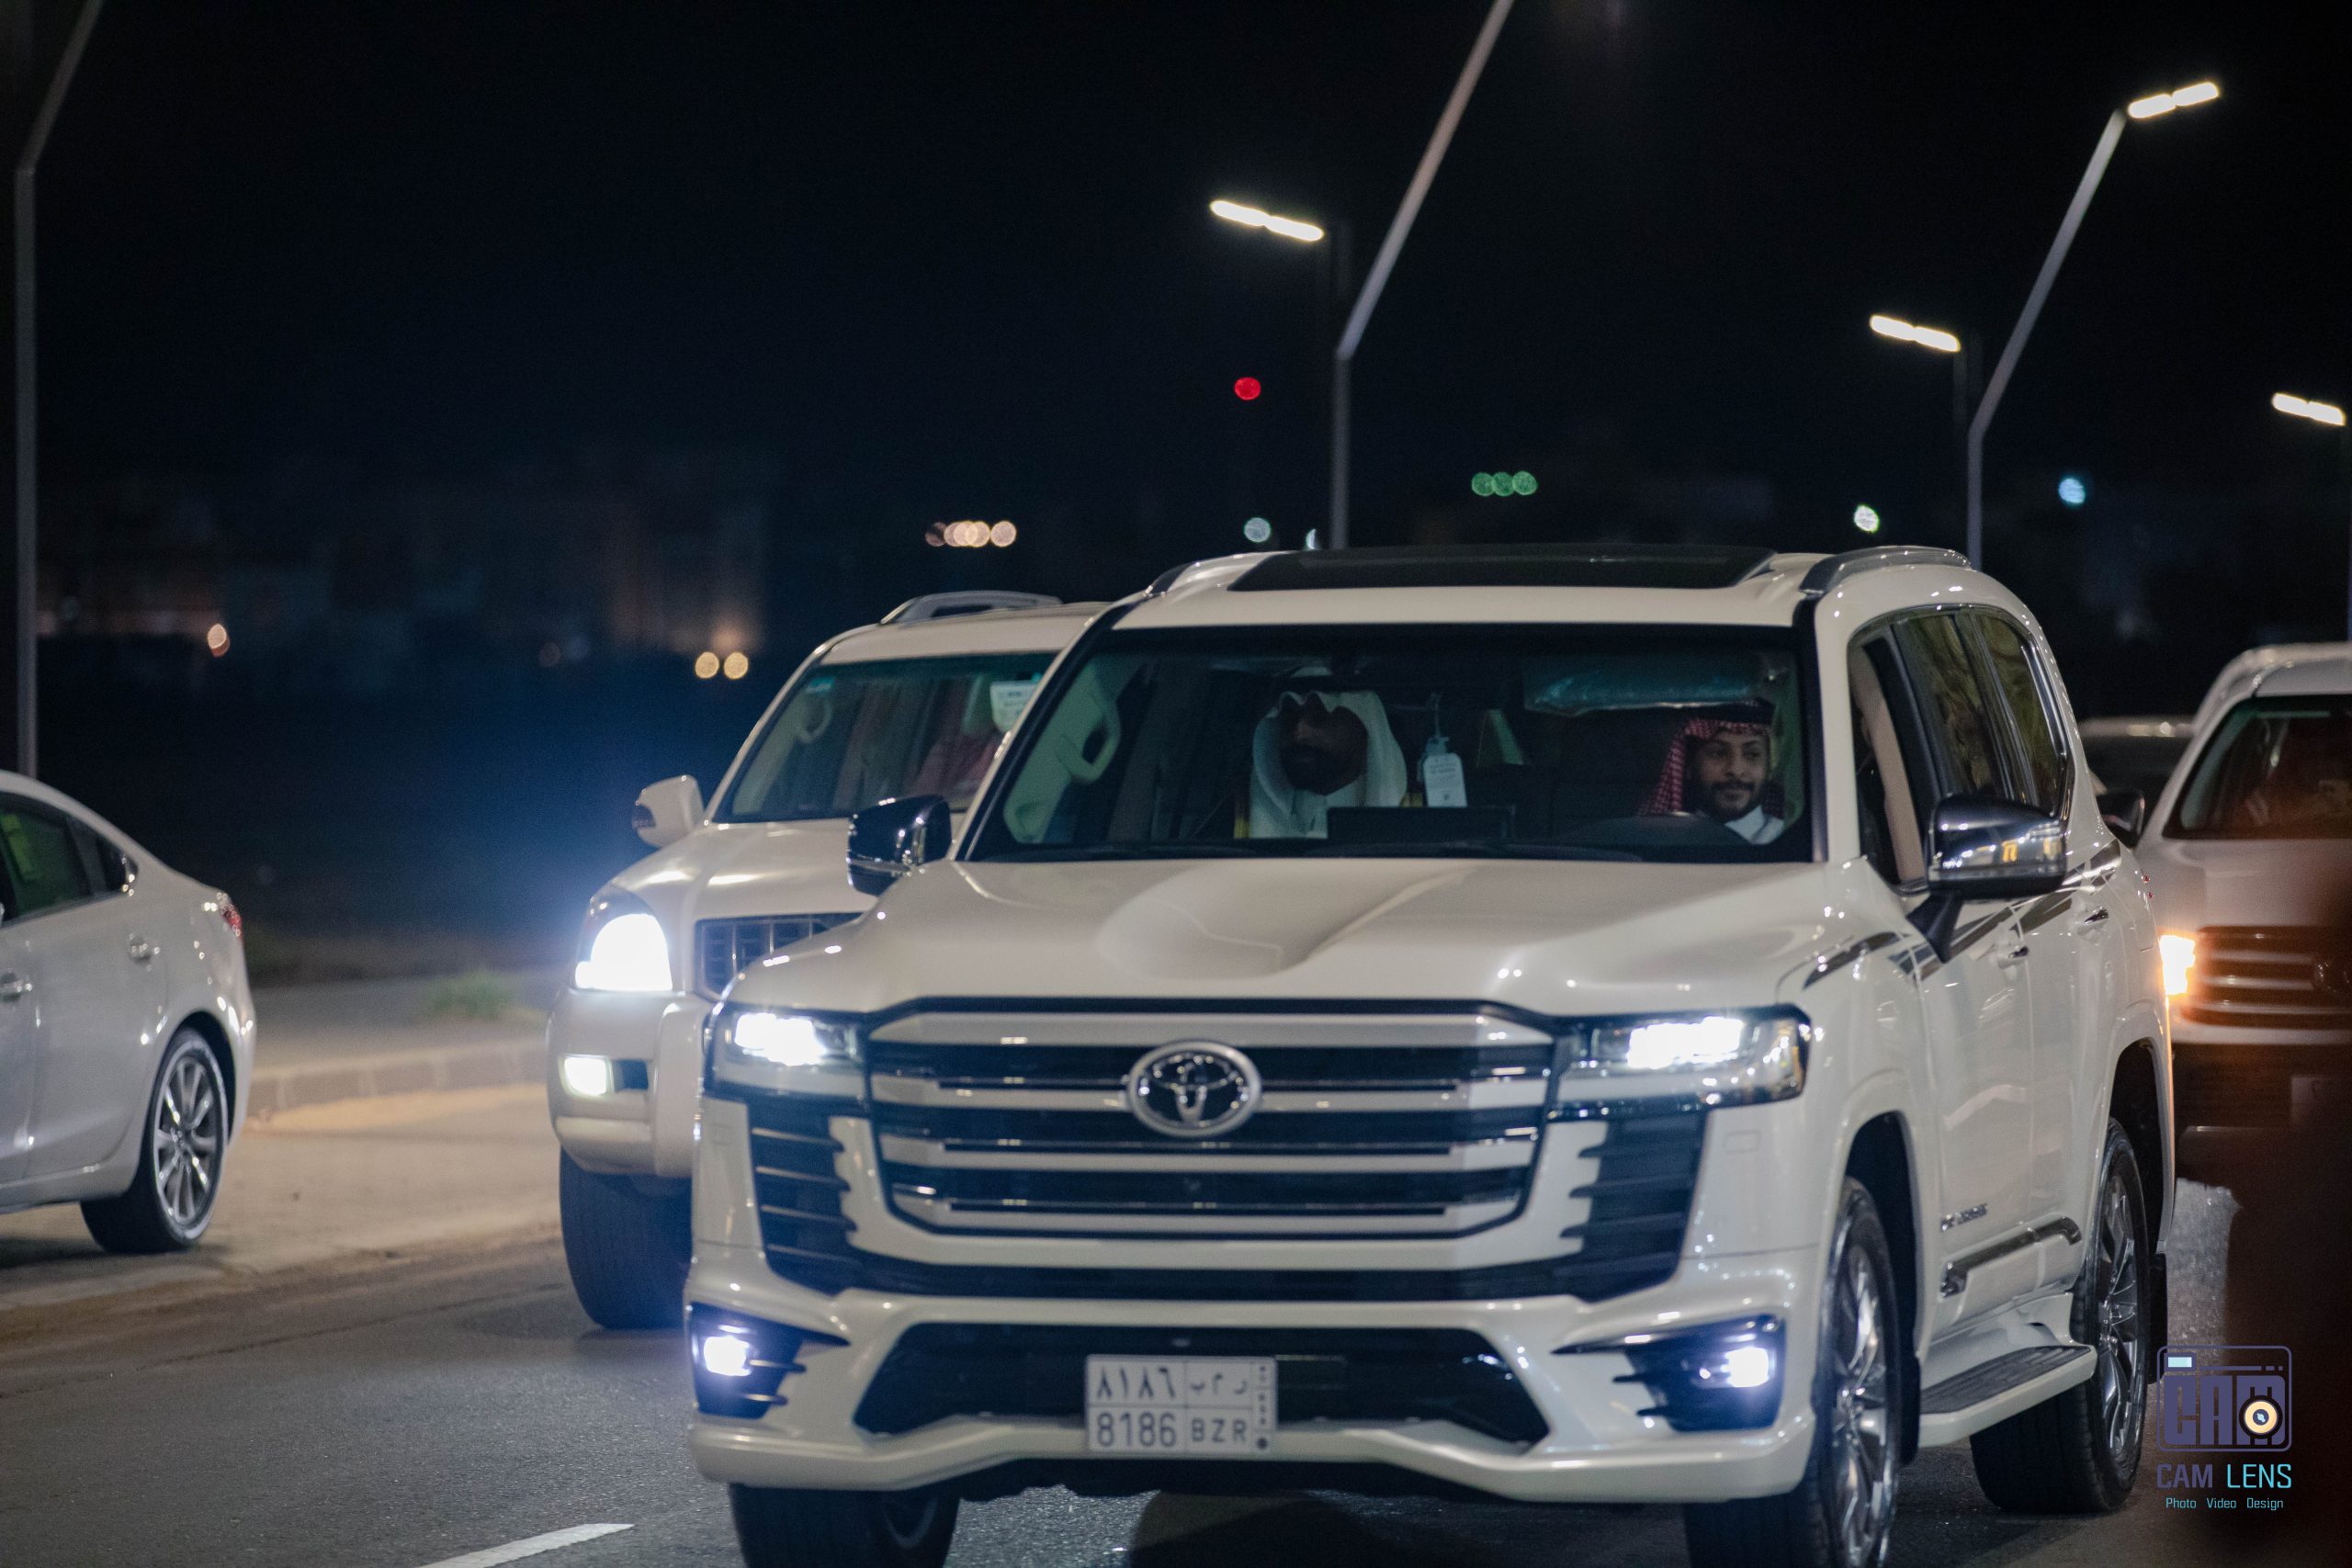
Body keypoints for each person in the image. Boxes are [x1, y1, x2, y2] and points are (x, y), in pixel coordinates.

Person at [1245, 688, 1408, 838]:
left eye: (1319, 719)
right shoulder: (1236, 826)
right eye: (1291, 719)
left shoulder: (1412, 819)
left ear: (1360, 729)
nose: (1299, 733)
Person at [1639, 714, 1788, 844]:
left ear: (1769, 768)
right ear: (1689, 766)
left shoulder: (1788, 841)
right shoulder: (1661, 842)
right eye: (1718, 753)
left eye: (1752, 755)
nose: (1735, 770)